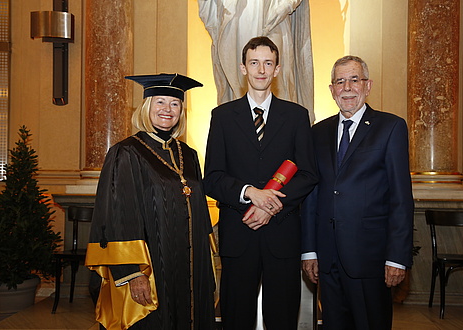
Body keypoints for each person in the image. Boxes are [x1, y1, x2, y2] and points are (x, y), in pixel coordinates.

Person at [203, 36, 318, 329]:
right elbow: (213, 178)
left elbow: (308, 174)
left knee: (282, 316)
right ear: (243, 68)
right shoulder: (222, 117)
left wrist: (269, 206)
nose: (261, 70)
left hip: (282, 234)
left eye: (268, 63)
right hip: (239, 233)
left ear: (277, 69)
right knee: (235, 316)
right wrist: (250, 193)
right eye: (254, 63)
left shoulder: (296, 116)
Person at [86, 73, 215, 329]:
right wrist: (133, 273)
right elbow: (118, 215)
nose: (168, 110)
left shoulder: (188, 154)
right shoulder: (126, 152)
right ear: (147, 106)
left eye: (175, 104)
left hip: (190, 264)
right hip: (152, 267)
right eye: (160, 102)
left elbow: (198, 206)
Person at [301, 56, 414, 330]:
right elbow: (311, 195)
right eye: (340, 81)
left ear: (368, 85)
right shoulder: (318, 132)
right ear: (331, 90)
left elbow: (401, 198)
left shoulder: (390, 127)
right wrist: (309, 251)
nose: (347, 87)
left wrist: (397, 257)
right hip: (327, 260)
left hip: (371, 259)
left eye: (354, 79)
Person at [198, 0, 315, 123]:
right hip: (236, 15)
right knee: (236, 85)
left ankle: (281, 132)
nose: (261, 69)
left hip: (273, 11)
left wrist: (285, 5)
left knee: (279, 81)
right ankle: (239, 130)